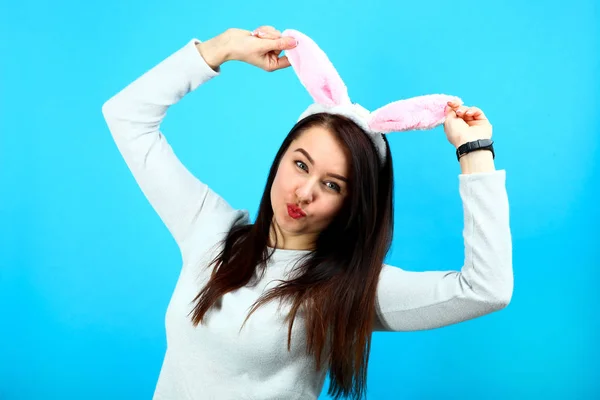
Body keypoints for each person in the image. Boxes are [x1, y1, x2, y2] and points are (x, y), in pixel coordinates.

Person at [102, 25, 513, 400]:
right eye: (301, 164)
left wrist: (474, 152)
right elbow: (126, 117)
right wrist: (221, 49)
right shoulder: (210, 230)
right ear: (280, 159)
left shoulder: (349, 288)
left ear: (353, 205)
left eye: (332, 185)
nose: (304, 191)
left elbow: (486, 289)